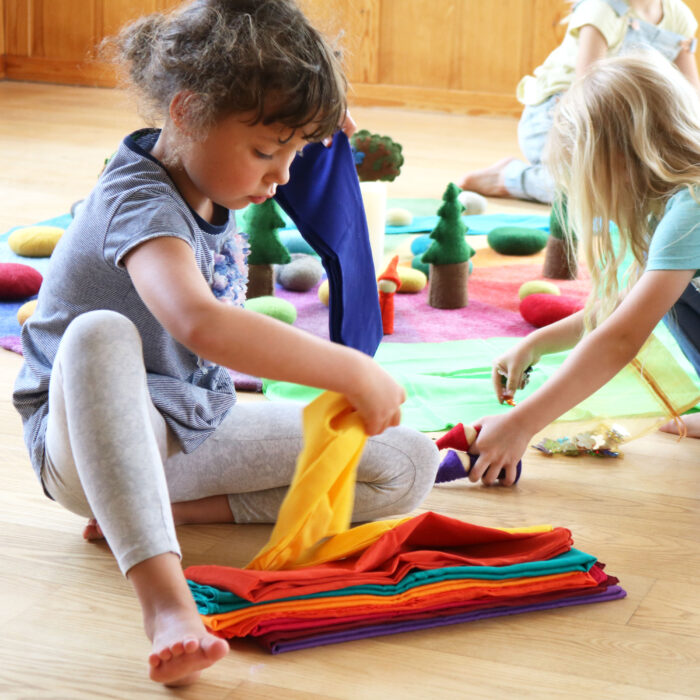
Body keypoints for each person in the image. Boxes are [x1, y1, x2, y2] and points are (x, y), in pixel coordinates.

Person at [12, 0, 439, 686]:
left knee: (406, 462)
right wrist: (349, 369)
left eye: (298, 152)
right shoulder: (139, 197)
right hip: (82, 444)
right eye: (268, 152)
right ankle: (166, 603)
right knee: (98, 333)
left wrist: (310, 111)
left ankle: (155, 510)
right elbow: (198, 321)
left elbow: (256, 48)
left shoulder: (216, 168)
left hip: (190, 425)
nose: (283, 175)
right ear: (183, 114)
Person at [468, 51, 700, 486]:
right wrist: (537, 344)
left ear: (618, 156)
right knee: (668, 293)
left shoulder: (694, 207)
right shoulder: (674, 202)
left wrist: (522, 422)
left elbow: (622, 337)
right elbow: (619, 310)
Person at [459, 0, 700, 204]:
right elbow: (588, 89)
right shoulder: (602, 9)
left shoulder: (678, 14)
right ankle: (507, 177)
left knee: (655, 182)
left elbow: (690, 97)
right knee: (595, 193)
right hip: (560, 116)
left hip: (619, 124)